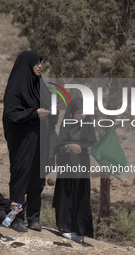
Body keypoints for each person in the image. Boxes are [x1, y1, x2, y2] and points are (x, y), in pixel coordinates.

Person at [2, 50, 56, 232]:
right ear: (27, 66)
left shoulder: (40, 85)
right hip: (22, 141)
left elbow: (50, 107)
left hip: (41, 139)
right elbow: (11, 114)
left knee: (37, 178)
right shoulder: (16, 87)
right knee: (20, 179)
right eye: (36, 63)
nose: (40, 66)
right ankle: (16, 218)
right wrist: (34, 113)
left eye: (41, 62)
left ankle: (34, 218)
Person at [52, 98, 97, 244]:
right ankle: (65, 228)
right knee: (67, 194)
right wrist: (68, 146)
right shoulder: (66, 126)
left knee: (81, 195)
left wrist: (90, 149)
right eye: (78, 112)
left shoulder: (88, 125)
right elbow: (58, 146)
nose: (82, 115)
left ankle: (79, 229)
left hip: (82, 166)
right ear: (72, 113)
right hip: (67, 166)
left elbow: (93, 144)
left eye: (84, 112)